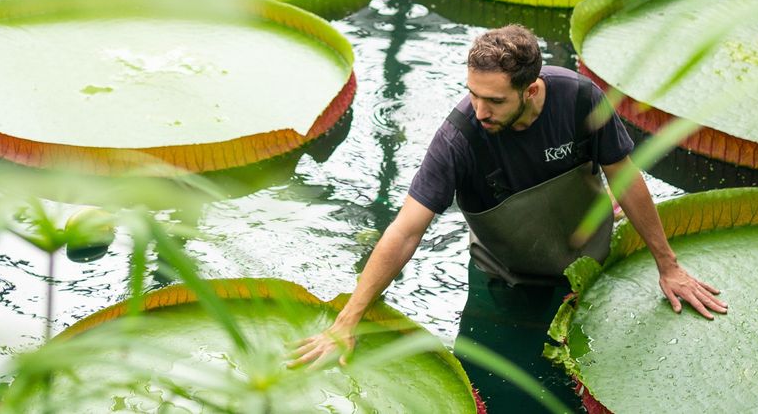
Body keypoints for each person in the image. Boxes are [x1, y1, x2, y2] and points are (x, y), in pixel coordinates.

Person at [292, 25, 726, 370]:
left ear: (532, 90)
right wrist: (347, 320)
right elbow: (405, 231)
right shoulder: (458, 139)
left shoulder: (579, 100)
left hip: (593, 267)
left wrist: (668, 266)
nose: (480, 111)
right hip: (504, 281)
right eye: (473, 94)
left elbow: (624, 178)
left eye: (495, 100)